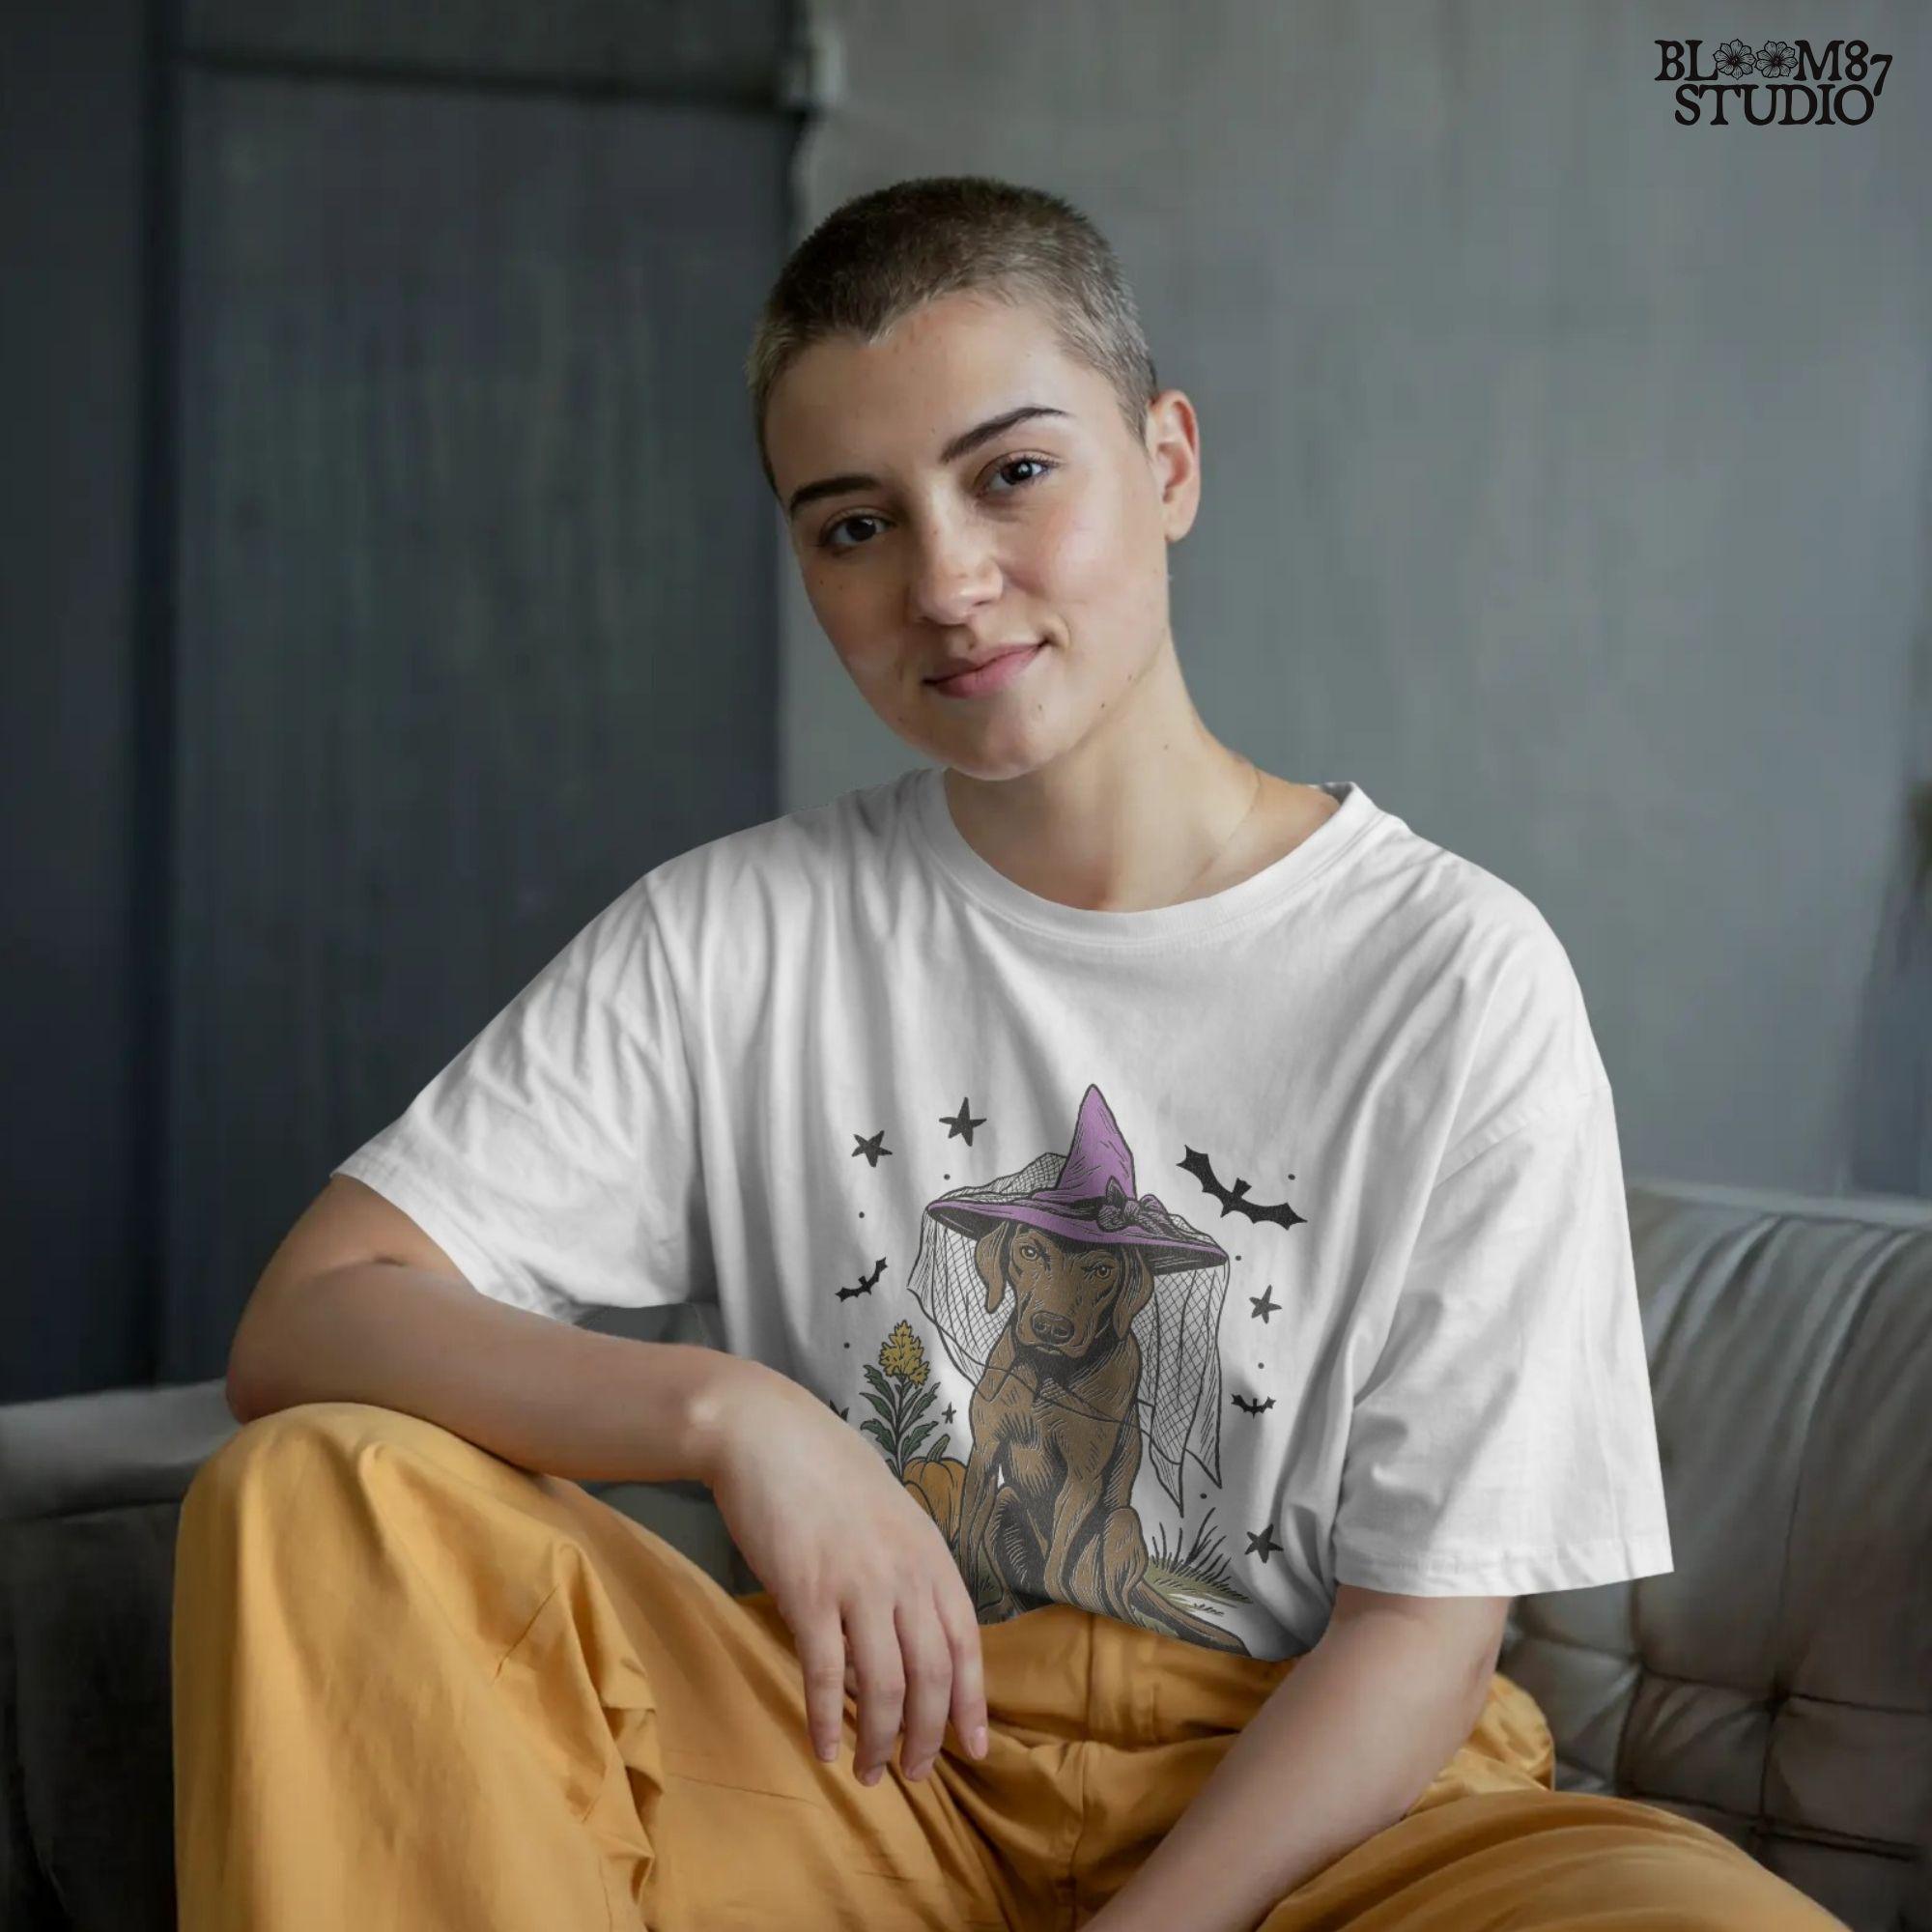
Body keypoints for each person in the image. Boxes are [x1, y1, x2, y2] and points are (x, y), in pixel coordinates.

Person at [174, 176, 1847, 1931]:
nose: (947, 583)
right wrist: (735, 1418)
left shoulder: (1454, 975)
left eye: (1013, 473)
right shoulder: (731, 933)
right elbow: (311, 1317)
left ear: (1172, 461)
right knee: (315, 1494)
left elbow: (1424, 1638)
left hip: (1342, 1825)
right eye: (852, 526)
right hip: (860, 1776)